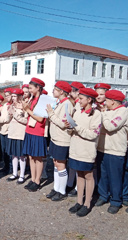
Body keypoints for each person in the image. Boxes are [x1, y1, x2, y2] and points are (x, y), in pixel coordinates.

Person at [67, 88, 101, 217]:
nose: (78, 101)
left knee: (88, 176)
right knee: (79, 175)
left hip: (87, 150)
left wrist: (76, 127)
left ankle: (87, 203)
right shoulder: (77, 112)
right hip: (75, 148)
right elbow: (72, 130)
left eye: (81, 99)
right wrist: (69, 127)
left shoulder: (96, 114)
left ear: (89, 100)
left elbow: (93, 134)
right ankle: (79, 201)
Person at [95, 90, 128, 214]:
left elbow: (110, 126)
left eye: (107, 100)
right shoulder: (108, 112)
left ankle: (116, 200)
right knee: (103, 175)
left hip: (116, 149)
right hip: (103, 147)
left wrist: (103, 114)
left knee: (115, 177)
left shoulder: (123, 112)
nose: (104, 102)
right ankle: (103, 195)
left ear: (113, 102)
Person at [46, 81, 73, 201]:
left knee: (61, 165)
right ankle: (56, 188)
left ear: (62, 91)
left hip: (62, 139)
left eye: (55, 89)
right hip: (56, 138)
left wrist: (50, 114)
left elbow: (63, 124)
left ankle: (62, 191)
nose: (53, 91)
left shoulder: (67, 104)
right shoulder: (59, 103)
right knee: (56, 164)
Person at [22, 78, 47, 192]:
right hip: (29, 130)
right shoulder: (32, 99)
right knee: (31, 156)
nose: (30, 90)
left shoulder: (42, 100)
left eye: (31, 88)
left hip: (38, 131)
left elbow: (40, 118)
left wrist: (27, 109)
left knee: (38, 158)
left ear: (38, 88)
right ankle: (32, 179)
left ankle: (37, 180)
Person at [66, 81, 85, 197]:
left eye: (71, 91)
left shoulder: (80, 105)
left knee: (79, 164)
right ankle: (70, 183)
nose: (69, 94)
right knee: (72, 162)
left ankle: (78, 187)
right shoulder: (75, 103)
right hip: (74, 135)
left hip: (80, 136)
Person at [6, 88, 28, 184]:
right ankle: (14, 173)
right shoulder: (12, 105)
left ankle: (22, 175)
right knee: (14, 155)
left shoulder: (25, 106)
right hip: (12, 132)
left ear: (20, 97)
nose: (13, 98)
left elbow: (26, 121)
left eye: (15, 96)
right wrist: (10, 113)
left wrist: (15, 113)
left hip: (20, 133)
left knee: (21, 156)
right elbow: (8, 119)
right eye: (12, 96)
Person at [0, 88, 13, 175]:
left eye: (9, 95)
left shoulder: (12, 106)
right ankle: (6, 166)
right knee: (3, 149)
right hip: (2, 130)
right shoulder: (5, 106)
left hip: (8, 129)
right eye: (6, 95)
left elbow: (7, 118)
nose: (7, 97)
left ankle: (11, 167)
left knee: (9, 150)